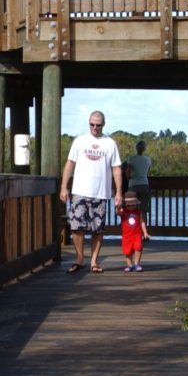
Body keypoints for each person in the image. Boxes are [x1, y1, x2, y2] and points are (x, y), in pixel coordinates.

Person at [59, 110, 122, 274]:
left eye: (98, 125)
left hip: (100, 192)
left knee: (97, 229)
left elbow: (117, 169)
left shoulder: (110, 143)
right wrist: (64, 187)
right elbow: (69, 164)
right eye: (92, 124)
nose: (95, 127)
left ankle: (94, 261)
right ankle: (79, 259)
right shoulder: (79, 141)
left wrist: (118, 192)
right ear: (89, 123)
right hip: (79, 190)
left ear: (103, 125)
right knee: (76, 226)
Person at [117, 191, 150, 271]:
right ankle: (129, 265)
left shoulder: (138, 212)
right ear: (125, 204)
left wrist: (145, 233)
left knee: (138, 247)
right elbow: (118, 212)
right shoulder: (123, 211)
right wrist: (118, 206)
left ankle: (137, 263)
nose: (131, 207)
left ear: (136, 204)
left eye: (133, 205)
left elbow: (142, 222)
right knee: (127, 251)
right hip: (126, 235)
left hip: (137, 234)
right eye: (128, 205)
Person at [127, 139, 153, 214]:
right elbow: (147, 173)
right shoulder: (148, 160)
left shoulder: (131, 159)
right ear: (144, 149)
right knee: (143, 210)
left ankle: (132, 224)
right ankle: (143, 224)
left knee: (131, 209)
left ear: (136, 148)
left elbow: (128, 175)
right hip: (144, 186)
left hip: (133, 186)